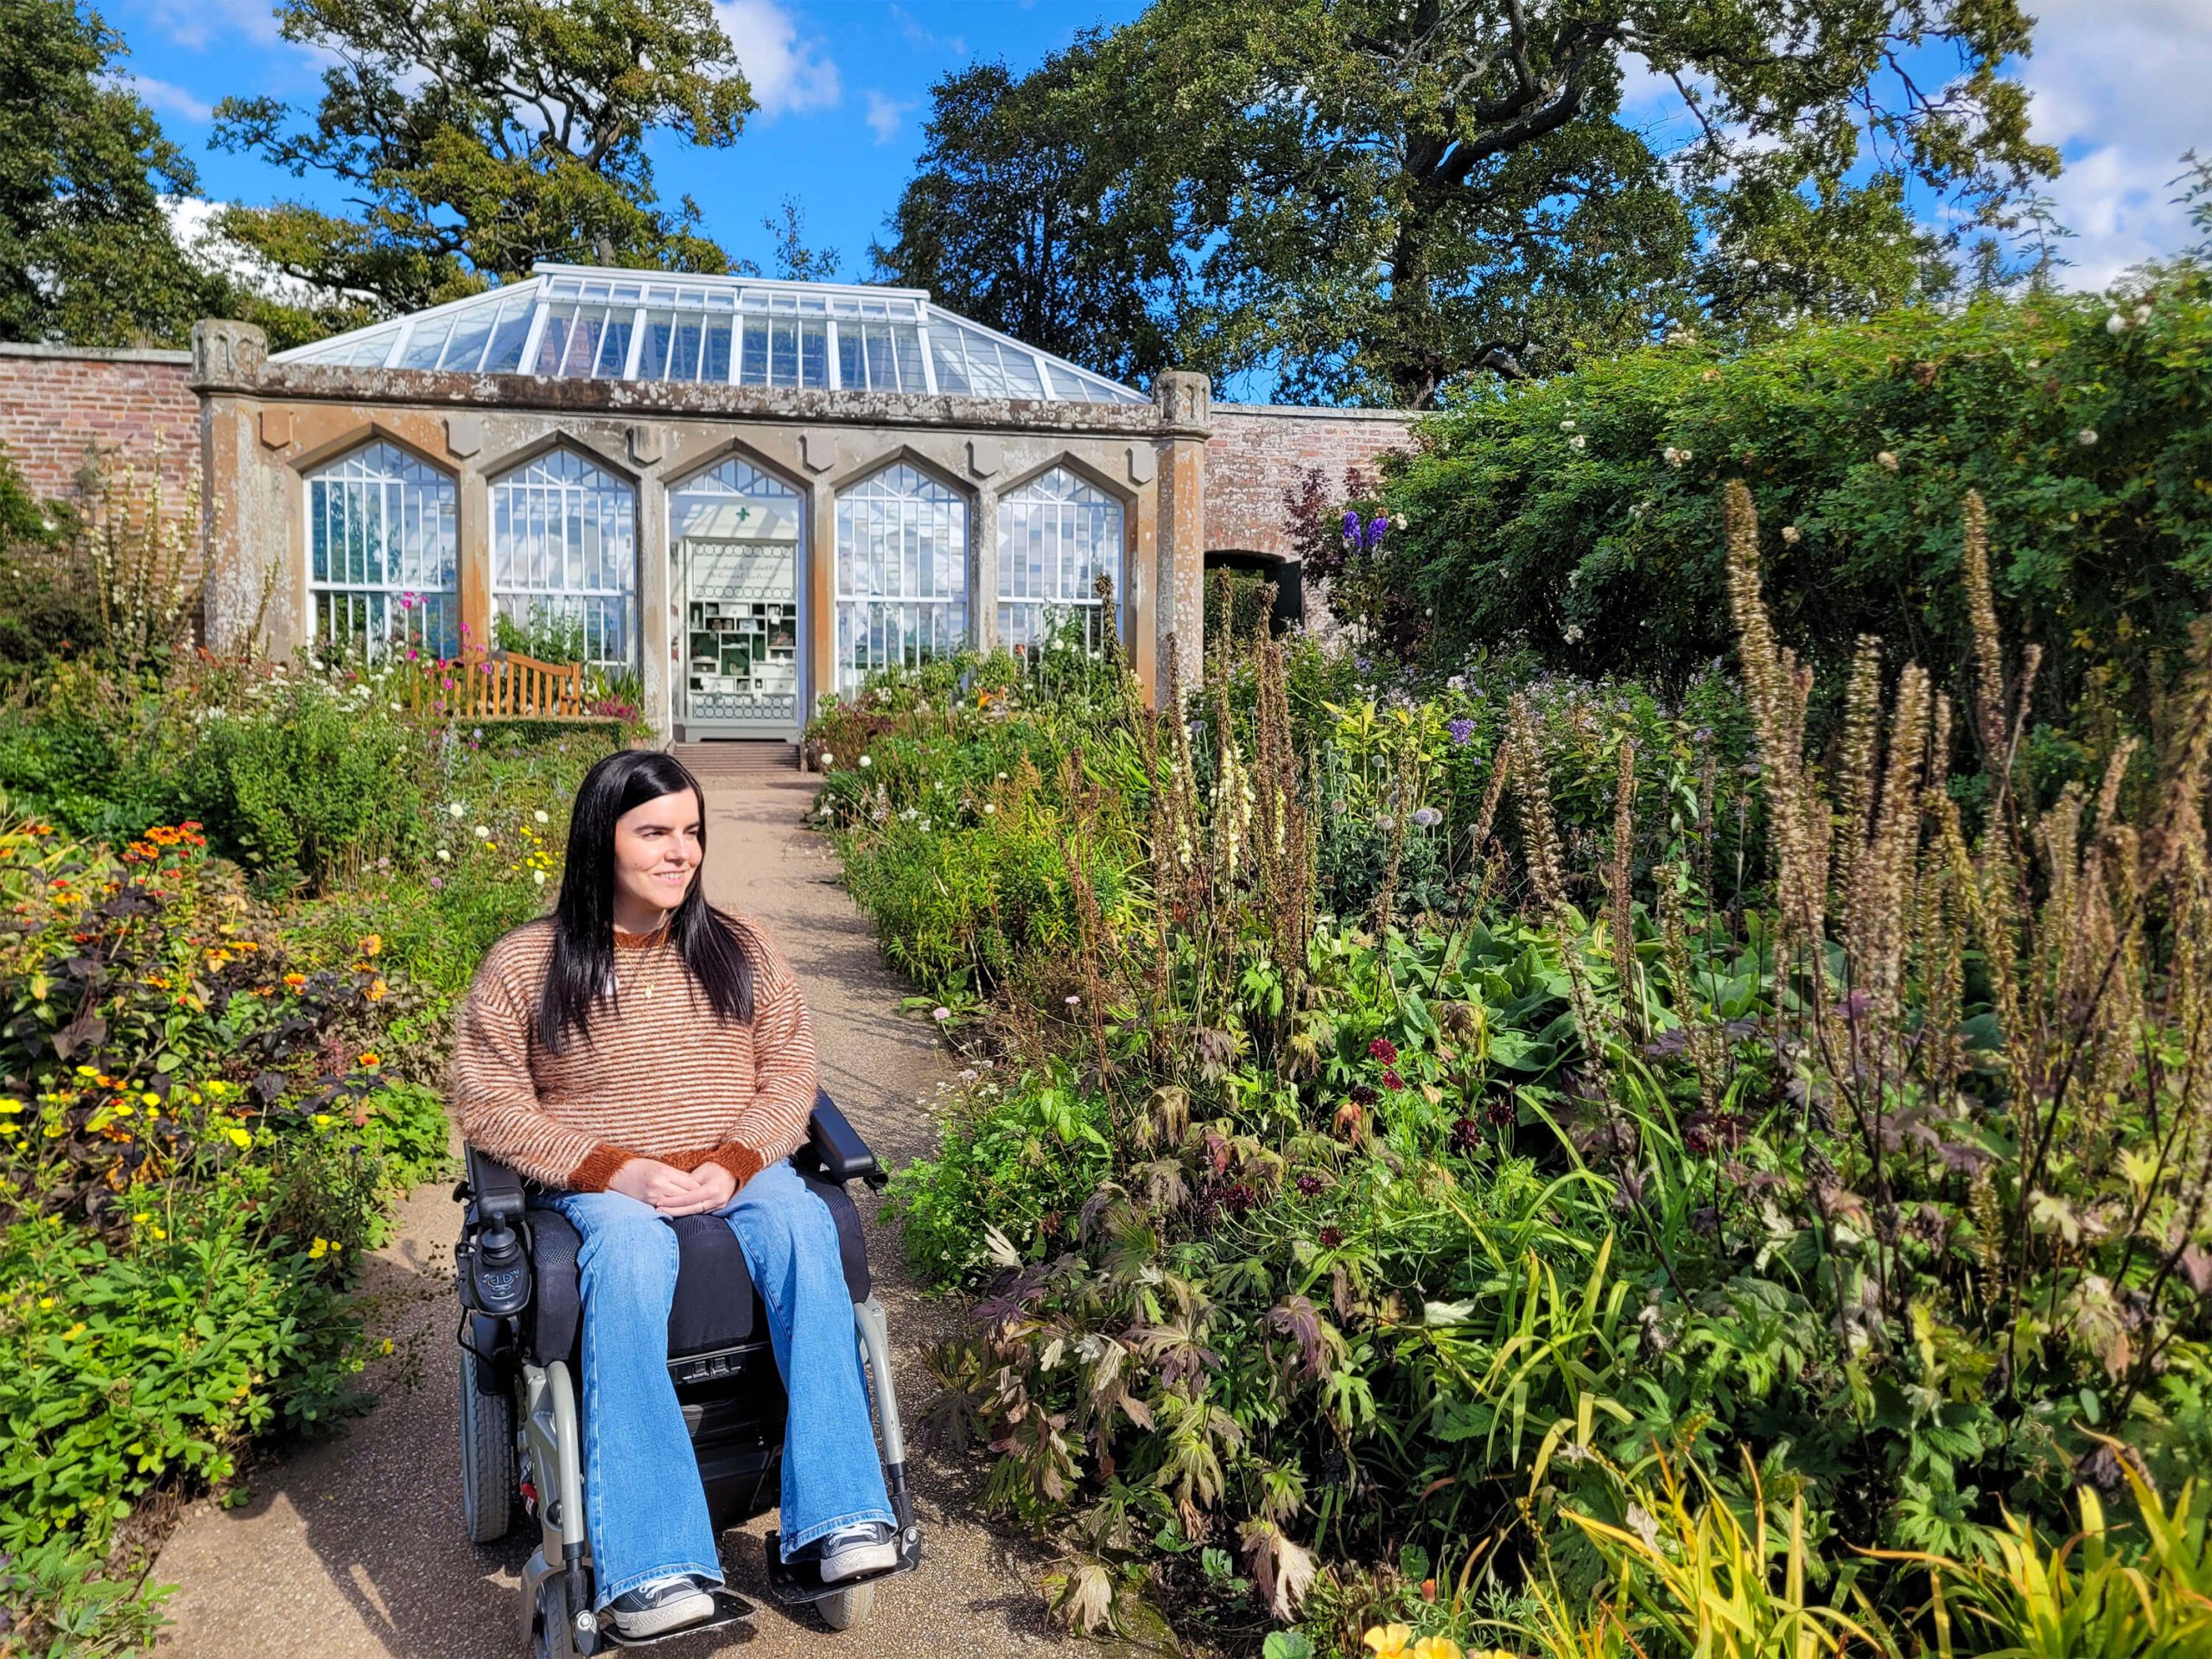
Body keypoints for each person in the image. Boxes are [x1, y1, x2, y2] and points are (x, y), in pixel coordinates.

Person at [450, 749, 896, 1641]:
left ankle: (842, 1516)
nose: (679, 852)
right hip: (610, 1186)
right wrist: (615, 1169)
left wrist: (736, 1161)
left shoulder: (738, 944)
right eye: (654, 832)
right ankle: (650, 1567)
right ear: (599, 842)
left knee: (806, 1226)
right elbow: (488, 1102)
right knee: (629, 1251)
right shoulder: (527, 964)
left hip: (736, 1168)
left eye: (691, 832)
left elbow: (791, 1073)